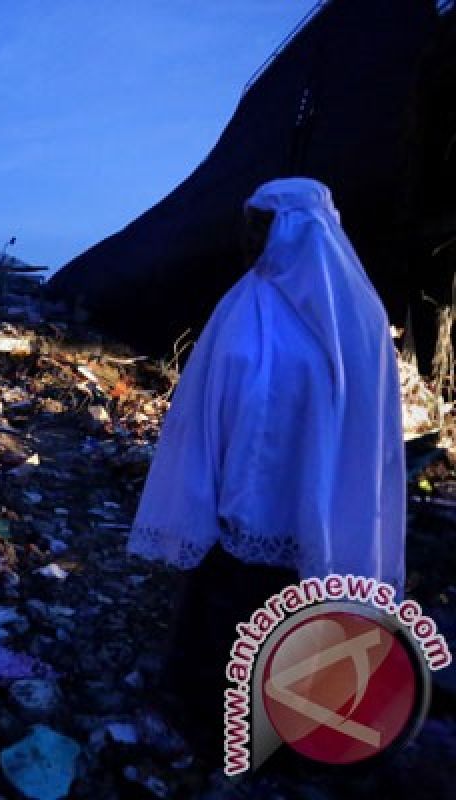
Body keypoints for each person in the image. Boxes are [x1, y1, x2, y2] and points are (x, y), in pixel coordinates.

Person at [127, 177, 405, 754]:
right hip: (256, 509)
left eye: (259, 228)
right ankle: (228, 726)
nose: (250, 242)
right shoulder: (261, 305)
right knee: (233, 623)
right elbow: (207, 406)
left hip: (294, 506)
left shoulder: (346, 316)